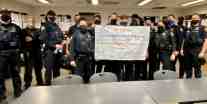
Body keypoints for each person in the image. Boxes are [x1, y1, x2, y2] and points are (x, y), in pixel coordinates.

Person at [0, 9, 22, 101]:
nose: (5, 14)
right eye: (3, 13)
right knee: (0, 75)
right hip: (1, 54)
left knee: (16, 73)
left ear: (10, 15)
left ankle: (17, 90)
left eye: (7, 13)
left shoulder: (16, 27)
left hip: (14, 54)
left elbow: (21, 41)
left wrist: (21, 52)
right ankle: (1, 93)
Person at [39, 10, 64, 85]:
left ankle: (57, 84)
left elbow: (61, 36)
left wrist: (62, 41)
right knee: (49, 69)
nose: (52, 17)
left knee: (57, 69)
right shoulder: (44, 26)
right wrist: (54, 45)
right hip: (49, 51)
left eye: (53, 16)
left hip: (58, 50)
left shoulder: (56, 26)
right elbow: (43, 39)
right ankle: (48, 85)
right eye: (50, 16)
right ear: (47, 16)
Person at [183, 14, 207, 79]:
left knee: (197, 70)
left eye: (196, 18)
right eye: (193, 18)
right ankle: (188, 85)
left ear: (199, 19)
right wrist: (182, 49)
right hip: (187, 51)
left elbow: (205, 41)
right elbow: (184, 39)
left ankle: (198, 86)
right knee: (188, 70)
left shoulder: (202, 28)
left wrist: (202, 52)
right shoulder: (187, 28)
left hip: (197, 51)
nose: (194, 19)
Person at [70, 18, 94, 83]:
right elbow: (71, 47)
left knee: (88, 77)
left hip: (88, 59)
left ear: (86, 24)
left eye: (84, 24)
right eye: (81, 24)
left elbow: (92, 45)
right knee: (78, 78)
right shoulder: (75, 33)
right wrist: (72, 59)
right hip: (79, 59)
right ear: (79, 25)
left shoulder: (89, 33)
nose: (83, 25)